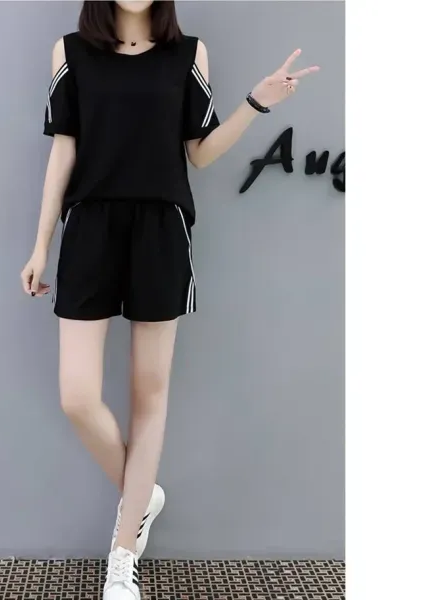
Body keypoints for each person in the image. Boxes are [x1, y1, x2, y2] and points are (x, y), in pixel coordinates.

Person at [20, 1, 319, 598]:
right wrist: (41, 245)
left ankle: (122, 555)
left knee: (149, 396)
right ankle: (142, 496)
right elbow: (63, 151)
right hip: (90, 227)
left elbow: (199, 152)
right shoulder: (70, 53)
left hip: (161, 229)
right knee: (77, 396)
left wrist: (257, 102)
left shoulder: (188, 54)